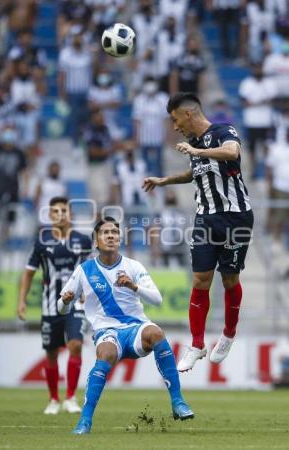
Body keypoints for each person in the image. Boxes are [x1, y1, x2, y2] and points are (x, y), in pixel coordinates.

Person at [142, 92, 254, 372]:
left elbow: (232, 152)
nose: (175, 125)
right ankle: (197, 344)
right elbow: (197, 172)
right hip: (205, 218)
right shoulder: (194, 144)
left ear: (187, 113)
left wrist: (197, 152)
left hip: (235, 217)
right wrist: (165, 180)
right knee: (200, 279)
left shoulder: (222, 131)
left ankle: (228, 334)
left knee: (229, 280)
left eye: (175, 118)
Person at [57, 216, 194, 434]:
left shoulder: (133, 266)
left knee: (156, 333)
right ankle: (85, 421)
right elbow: (61, 308)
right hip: (107, 331)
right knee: (106, 353)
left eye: (114, 232)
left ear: (119, 238)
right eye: (105, 233)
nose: (111, 235)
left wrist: (133, 286)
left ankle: (178, 402)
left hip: (136, 329)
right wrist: (65, 301)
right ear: (96, 241)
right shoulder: (84, 270)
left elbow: (157, 299)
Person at [18, 196, 92, 415]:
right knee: (51, 353)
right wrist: (22, 300)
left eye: (64, 211)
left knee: (76, 345)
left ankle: (70, 397)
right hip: (50, 305)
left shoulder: (83, 240)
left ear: (70, 214)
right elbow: (29, 273)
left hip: (76, 305)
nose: (61, 215)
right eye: (56, 211)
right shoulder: (42, 241)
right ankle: (53, 399)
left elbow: (90, 270)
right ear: (50, 215)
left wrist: (87, 293)